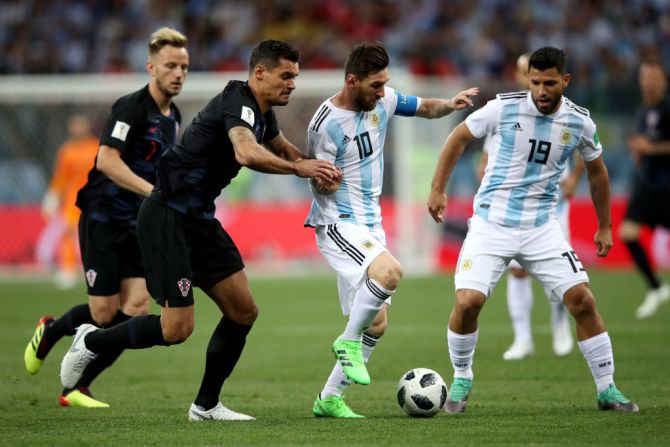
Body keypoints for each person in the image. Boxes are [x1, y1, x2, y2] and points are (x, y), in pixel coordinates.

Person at [59, 40, 340, 421]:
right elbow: (245, 152)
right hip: (166, 217)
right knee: (177, 330)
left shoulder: (263, 111)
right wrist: (299, 169)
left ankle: (205, 406)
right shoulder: (237, 100)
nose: (292, 83)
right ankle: (90, 339)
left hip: (199, 220)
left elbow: (282, 147)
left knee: (243, 311)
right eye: (286, 75)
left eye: (295, 76)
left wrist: (316, 165)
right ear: (260, 73)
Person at [427, 47, 638, 413]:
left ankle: (607, 389)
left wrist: (604, 225)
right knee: (467, 303)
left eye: (550, 83)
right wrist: (437, 188)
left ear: (565, 81)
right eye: (536, 82)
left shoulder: (579, 122)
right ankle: (462, 377)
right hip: (492, 223)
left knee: (583, 301)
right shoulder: (503, 108)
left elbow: (597, 170)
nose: (542, 91)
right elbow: (458, 137)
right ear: (528, 80)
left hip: (542, 227)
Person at [305, 41, 478, 418]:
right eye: (375, 85)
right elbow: (317, 181)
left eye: (385, 84)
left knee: (378, 323)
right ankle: (347, 341)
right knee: (390, 271)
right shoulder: (325, 124)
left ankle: (329, 398)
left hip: (371, 223)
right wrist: (326, 182)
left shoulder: (383, 101)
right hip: (337, 222)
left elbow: (423, 107)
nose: (383, 92)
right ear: (352, 80)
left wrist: (450, 104)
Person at [24, 27, 189, 408]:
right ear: (151, 66)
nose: (178, 73)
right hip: (103, 217)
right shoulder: (131, 107)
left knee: (135, 308)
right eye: (170, 66)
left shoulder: (173, 116)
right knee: (103, 313)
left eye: (183, 66)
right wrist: (155, 194)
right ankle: (51, 330)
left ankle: (77, 387)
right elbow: (107, 160)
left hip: (137, 221)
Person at [477, 53, 584, 360]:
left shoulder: (564, 113)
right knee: (518, 272)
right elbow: (488, 153)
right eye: (528, 76)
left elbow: (586, 153)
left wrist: (574, 178)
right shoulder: (507, 112)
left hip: (551, 203)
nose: (538, 86)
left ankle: (559, 325)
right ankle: (523, 338)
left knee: (559, 277)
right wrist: (483, 171)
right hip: (512, 207)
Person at [619, 61, 670, 319]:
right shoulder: (642, 111)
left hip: (667, 185)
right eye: (645, 77)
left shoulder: (668, 108)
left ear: (664, 81)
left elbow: (655, 144)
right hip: (647, 185)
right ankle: (655, 286)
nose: (649, 82)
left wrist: (651, 148)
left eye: (654, 77)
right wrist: (639, 151)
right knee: (627, 233)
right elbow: (643, 143)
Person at [38, 114, 99, 289]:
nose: (77, 129)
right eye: (74, 125)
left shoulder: (96, 147)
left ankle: (97, 269)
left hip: (95, 196)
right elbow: (61, 177)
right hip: (73, 198)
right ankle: (68, 268)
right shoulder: (66, 151)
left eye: (80, 125)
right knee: (69, 232)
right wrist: (52, 196)